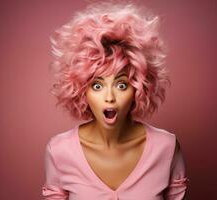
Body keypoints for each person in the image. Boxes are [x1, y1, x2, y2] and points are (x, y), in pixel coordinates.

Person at [41, 3, 187, 199]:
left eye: (121, 85)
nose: (109, 97)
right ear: (82, 90)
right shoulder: (60, 151)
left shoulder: (166, 147)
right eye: (97, 86)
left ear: (138, 88)